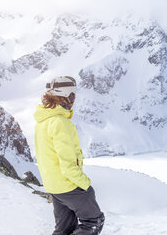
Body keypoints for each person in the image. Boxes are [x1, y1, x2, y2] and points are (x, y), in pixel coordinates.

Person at [34, 76, 104, 235]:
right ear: (67, 95)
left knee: (64, 229)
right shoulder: (60, 122)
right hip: (68, 185)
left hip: (53, 185)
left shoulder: (43, 121)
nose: (74, 99)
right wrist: (85, 184)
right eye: (73, 94)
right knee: (93, 221)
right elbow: (67, 164)